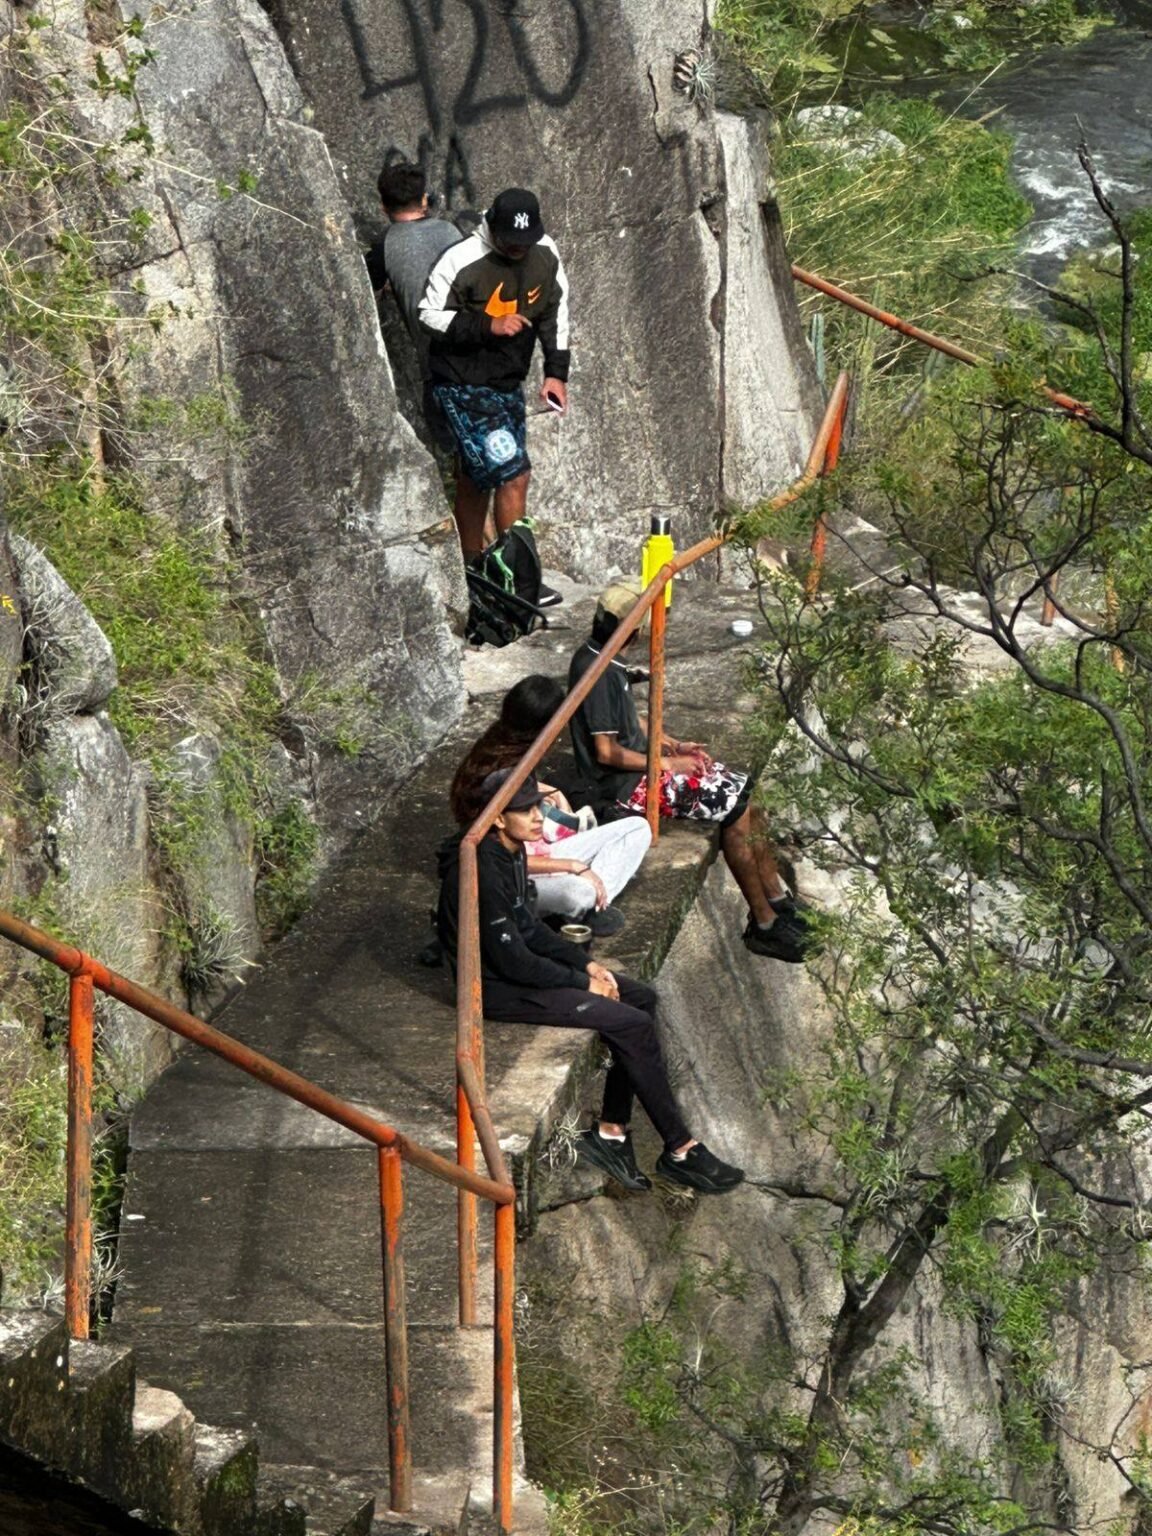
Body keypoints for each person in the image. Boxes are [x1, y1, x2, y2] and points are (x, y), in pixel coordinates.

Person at [438, 770, 745, 1195]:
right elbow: (513, 960)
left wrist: (589, 970)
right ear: (497, 819)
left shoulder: (511, 851)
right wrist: (581, 985)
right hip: (495, 988)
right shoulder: (479, 868)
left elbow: (530, 929)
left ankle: (611, 1134)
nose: (537, 816)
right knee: (630, 1022)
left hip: (519, 970)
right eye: (524, 810)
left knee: (642, 999)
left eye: (536, 805)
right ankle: (680, 1149)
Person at [569, 581, 810, 963]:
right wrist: (664, 764)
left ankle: (777, 899)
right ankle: (764, 923)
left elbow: (634, 722)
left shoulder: (605, 657)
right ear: (637, 628)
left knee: (749, 796)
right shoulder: (597, 670)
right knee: (734, 810)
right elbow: (606, 750)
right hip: (626, 786)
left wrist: (673, 744)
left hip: (643, 770)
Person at [419, 187, 568, 603]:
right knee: (513, 473)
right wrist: (488, 325)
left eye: (526, 241)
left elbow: (557, 311)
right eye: (510, 242)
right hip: (461, 383)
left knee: (475, 479)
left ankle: (472, 573)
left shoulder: (545, 253)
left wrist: (556, 373)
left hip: (506, 383)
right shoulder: (461, 259)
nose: (518, 249)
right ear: (493, 229)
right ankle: (519, 585)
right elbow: (428, 313)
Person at [450, 674, 652, 937]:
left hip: (539, 851)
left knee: (637, 828)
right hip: (515, 876)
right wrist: (571, 866)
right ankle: (588, 903)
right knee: (578, 892)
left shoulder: (508, 745)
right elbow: (502, 862)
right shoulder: (498, 776)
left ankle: (593, 897)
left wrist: (547, 791)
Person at [365, 161, 462, 454]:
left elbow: (367, 290)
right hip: (485, 355)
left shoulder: (386, 247)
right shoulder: (452, 231)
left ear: (383, 206)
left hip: (440, 371)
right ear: (424, 200)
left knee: (459, 457)